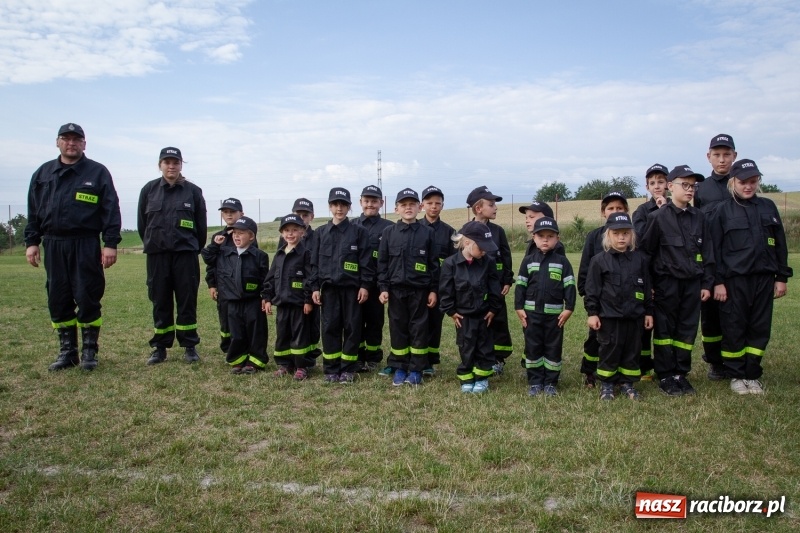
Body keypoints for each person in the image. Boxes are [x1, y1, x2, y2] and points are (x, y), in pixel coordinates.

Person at [25, 123, 122, 371]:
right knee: (58, 298)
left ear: (84, 144)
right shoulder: (43, 174)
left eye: (76, 140)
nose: (71, 143)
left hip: (86, 243)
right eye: (66, 139)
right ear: (57, 142)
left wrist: (110, 243)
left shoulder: (97, 172)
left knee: (88, 295)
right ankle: (68, 352)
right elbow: (33, 211)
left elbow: (110, 210)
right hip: (54, 243)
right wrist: (32, 242)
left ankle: (90, 352)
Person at [709, 159, 792, 395]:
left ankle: (752, 374)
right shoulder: (722, 211)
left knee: (759, 327)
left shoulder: (768, 207)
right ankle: (736, 375)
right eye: (743, 181)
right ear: (732, 182)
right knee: (734, 327)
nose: (748, 186)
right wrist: (718, 282)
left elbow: (780, 245)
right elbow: (713, 250)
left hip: (764, 279)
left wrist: (781, 276)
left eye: (753, 181)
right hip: (734, 282)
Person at [640, 165, 714, 396]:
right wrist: (648, 287)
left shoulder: (699, 218)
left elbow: (709, 254)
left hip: (692, 285)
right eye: (685, 185)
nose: (690, 190)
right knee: (665, 332)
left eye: (693, 186)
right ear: (670, 187)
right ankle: (666, 375)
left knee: (686, 331)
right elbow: (645, 256)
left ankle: (681, 372)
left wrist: (707, 283)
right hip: (666, 285)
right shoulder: (657, 218)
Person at [137, 147, 207, 365]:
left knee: (187, 300)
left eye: (176, 162)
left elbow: (201, 228)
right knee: (160, 300)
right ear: (160, 165)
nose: (171, 166)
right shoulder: (148, 190)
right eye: (167, 162)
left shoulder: (193, 192)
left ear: (181, 165)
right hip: (157, 256)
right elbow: (142, 225)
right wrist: (154, 243)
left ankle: (189, 345)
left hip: (185, 256)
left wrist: (191, 248)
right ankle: (160, 347)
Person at [585, 213, 653, 400]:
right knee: (609, 350)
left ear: (632, 235)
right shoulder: (599, 260)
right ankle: (607, 385)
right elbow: (592, 290)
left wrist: (648, 312)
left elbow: (646, 288)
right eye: (616, 233)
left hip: (634, 316)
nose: (621, 237)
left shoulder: (640, 260)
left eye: (625, 233)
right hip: (609, 317)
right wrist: (592, 313)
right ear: (608, 235)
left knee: (632, 350)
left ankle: (627, 383)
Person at [308, 187, 373, 384]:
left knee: (352, 328)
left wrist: (365, 286)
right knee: (330, 328)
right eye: (335, 204)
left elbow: (366, 262)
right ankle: (331, 369)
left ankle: (348, 370)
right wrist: (314, 288)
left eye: (343, 205)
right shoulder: (320, 233)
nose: (339, 208)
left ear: (349, 207)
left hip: (352, 290)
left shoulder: (359, 232)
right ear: (329, 207)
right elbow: (314, 264)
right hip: (329, 291)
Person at [378, 188, 439, 386]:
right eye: (403, 205)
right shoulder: (388, 233)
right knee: (398, 329)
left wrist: (433, 290)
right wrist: (383, 288)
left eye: (412, 204)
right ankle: (400, 367)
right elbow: (383, 263)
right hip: (396, 291)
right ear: (396, 209)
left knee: (419, 329)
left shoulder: (427, 233)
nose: (408, 208)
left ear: (419, 207)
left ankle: (416, 369)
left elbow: (433, 264)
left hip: (420, 291)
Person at [514, 217, 576, 396]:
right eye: (541, 236)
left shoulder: (563, 262)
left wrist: (569, 308)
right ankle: (534, 381)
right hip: (531, 315)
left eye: (550, 236)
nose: (545, 240)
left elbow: (569, 286)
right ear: (534, 238)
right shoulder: (528, 261)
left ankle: (550, 382)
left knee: (553, 348)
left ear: (557, 238)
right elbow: (520, 286)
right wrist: (519, 307)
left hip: (555, 317)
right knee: (533, 347)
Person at [439, 221, 502, 394]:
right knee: (466, 347)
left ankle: (481, 379)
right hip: (463, 317)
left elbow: (494, 287)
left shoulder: (487, 262)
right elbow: (445, 290)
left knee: (484, 347)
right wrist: (451, 311)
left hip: (483, 315)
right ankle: (466, 377)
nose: (484, 251)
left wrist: (493, 309)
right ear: (467, 243)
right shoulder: (450, 264)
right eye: (481, 247)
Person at [695, 134, 738, 381]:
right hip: (709, 261)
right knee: (710, 315)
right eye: (717, 155)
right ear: (708, 157)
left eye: (726, 154)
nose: (722, 160)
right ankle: (715, 362)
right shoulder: (702, 189)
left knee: (734, 313)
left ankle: (734, 360)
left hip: (736, 261)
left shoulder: (741, 185)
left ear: (735, 155)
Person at [577, 191, 629, 388]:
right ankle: (590, 371)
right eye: (610, 208)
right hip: (598, 301)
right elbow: (585, 268)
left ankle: (616, 374)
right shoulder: (594, 236)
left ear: (626, 211)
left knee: (619, 339)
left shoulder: (630, 237)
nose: (615, 211)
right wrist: (586, 295)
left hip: (622, 301)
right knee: (596, 337)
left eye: (620, 208)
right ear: (603, 212)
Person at [207, 216, 269, 373]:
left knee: (255, 332)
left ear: (251, 236)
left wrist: (266, 297)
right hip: (232, 301)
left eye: (241, 233)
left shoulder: (260, 256)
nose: (236, 236)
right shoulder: (223, 253)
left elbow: (266, 279)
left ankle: (255, 362)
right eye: (234, 233)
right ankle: (237, 360)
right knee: (236, 333)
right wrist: (215, 244)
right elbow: (207, 257)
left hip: (253, 301)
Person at [467, 186, 514, 375]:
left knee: (498, 320)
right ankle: (478, 356)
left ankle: (498, 359)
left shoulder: (498, 231)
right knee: (477, 321)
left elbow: (506, 257)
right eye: (491, 204)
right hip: (475, 288)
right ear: (478, 208)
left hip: (495, 286)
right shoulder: (465, 231)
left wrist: (507, 280)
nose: (496, 208)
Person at [263, 214, 315, 380]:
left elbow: (310, 278)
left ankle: (301, 366)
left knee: (299, 336)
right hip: (282, 304)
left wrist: (308, 300)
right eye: (286, 230)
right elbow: (270, 279)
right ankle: (285, 364)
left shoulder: (306, 254)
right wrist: (267, 297)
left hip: (299, 305)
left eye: (294, 230)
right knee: (282, 335)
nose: (290, 234)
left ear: (302, 232)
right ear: (281, 233)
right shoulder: (279, 255)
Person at [631, 164, 669, 380]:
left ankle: (666, 365)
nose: (657, 186)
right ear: (647, 186)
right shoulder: (642, 212)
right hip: (648, 272)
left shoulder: (676, 207)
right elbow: (642, 242)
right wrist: (659, 212)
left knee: (665, 323)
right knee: (645, 320)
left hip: (671, 273)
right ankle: (643, 366)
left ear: (669, 184)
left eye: (661, 182)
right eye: (653, 183)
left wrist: (666, 209)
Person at [353, 185, 394, 374]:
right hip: (355, 283)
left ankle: (373, 357)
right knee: (355, 320)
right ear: (360, 202)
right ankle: (358, 357)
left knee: (375, 320)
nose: (370, 204)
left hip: (377, 284)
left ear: (381, 203)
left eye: (374, 201)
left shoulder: (388, 227)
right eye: (366, 201)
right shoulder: (352, 225)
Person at [419, 185, 456, 375]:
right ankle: (416, 359)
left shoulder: (450, 232)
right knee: (417, 324)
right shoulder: (414, 228)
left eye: (437, 203)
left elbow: (454, 263)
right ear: (422, 205)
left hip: (439, 287)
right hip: (417, 286)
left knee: (434, 324)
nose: (433, 206)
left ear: (442, 205)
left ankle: (430, 362)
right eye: (429, 203)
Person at [201, 197, 246, 354]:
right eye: (225, 212)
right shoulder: (218, 237)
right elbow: (211, 263)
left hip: (242, 288)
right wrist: (212, 284)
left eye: (232, 212)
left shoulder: (248, 236)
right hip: (223, 288)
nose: (228, 215)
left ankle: (242, 346)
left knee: (241, 319)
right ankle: (228, 348)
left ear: (242, 213)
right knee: (225, 319)